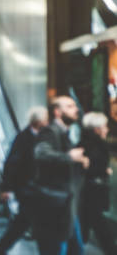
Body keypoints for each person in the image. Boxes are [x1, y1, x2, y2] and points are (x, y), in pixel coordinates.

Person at [32, 96, 88, 255]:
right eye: (70, 106)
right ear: (57, 112)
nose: (75, 109)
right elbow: (42, 154)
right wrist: (70, 157)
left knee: (75, 249)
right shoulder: (50, 132)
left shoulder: (64, 133)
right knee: (59, 249)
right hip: (56, 206)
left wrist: (78, 162)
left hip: (66, 204)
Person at [0, 106, 49, 255]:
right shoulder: (24, 138)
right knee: (24, 222)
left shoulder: (41, 137)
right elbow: (11, 163)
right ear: (38, 121)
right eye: (45, 119)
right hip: (26, 188)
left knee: (25, 222)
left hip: (35, 188)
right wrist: (6, 188)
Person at [78, 112, 117, 254]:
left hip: (88, 192)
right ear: (97, 129)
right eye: (105, 126)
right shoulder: (95, 145)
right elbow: (89, 167)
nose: (107, 129)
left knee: (85, 226)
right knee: (99, 226)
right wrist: (104, 171)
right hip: (91, 191)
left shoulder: (86, 143)